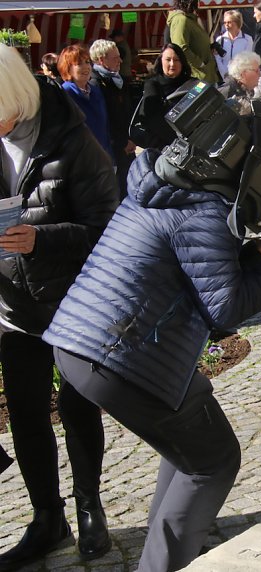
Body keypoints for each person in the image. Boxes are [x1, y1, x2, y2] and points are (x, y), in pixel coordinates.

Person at [43, 113, 261, 571]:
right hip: (126, 357)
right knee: (213, 460)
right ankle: (162, 564)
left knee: (190, 439)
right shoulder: (207, 211)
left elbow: (196, 269)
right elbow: (227, 310)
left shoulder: (164, 176)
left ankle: (170, 552)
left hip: (80, 342)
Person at [0, 44, 118, 570]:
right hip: (11, 305)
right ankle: (47, 516)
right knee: (26, 414)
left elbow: (108, 228)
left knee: (77, 405)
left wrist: (41, 239)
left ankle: (90, 507)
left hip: (71, 300)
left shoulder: (72, 139)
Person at [90, 39, 136, 197]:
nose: (121, 61)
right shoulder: (95, 84)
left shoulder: (116, 79)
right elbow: (106, 119)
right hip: (114, 148)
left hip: (125, 144)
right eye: (116, 58)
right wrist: (122, 142)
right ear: (102, 60)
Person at [58, 45, 112, 160]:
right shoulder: (64, 94)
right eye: (79, 64)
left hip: (103, 155)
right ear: (68, 68)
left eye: (87, 62)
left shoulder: (96, 90)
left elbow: (104, 125)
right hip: (79, 160)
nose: (86, 67)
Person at [136, 43, 192, 150]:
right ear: (161, 61)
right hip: (165, 145)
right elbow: (151, 119)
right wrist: (178, 141)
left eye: (176, 60)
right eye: (168, 59)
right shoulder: (152, 84)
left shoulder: (193, 83)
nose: (172, 64)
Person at [166, 0, 218, 83]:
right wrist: (200, 63)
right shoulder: (181, 19)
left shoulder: (189, 19)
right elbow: (180, 47)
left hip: (204, 75)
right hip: (197, 76)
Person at [215, 9, 254, 80]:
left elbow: (247, 61)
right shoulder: (220, 40)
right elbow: (218, 59)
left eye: (229, 22)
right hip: (224, 78)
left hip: (241, 79)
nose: (226, 25)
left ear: (237, 23)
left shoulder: (247, 39)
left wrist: (238, 77)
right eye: (225, 22)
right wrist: (225, 75)